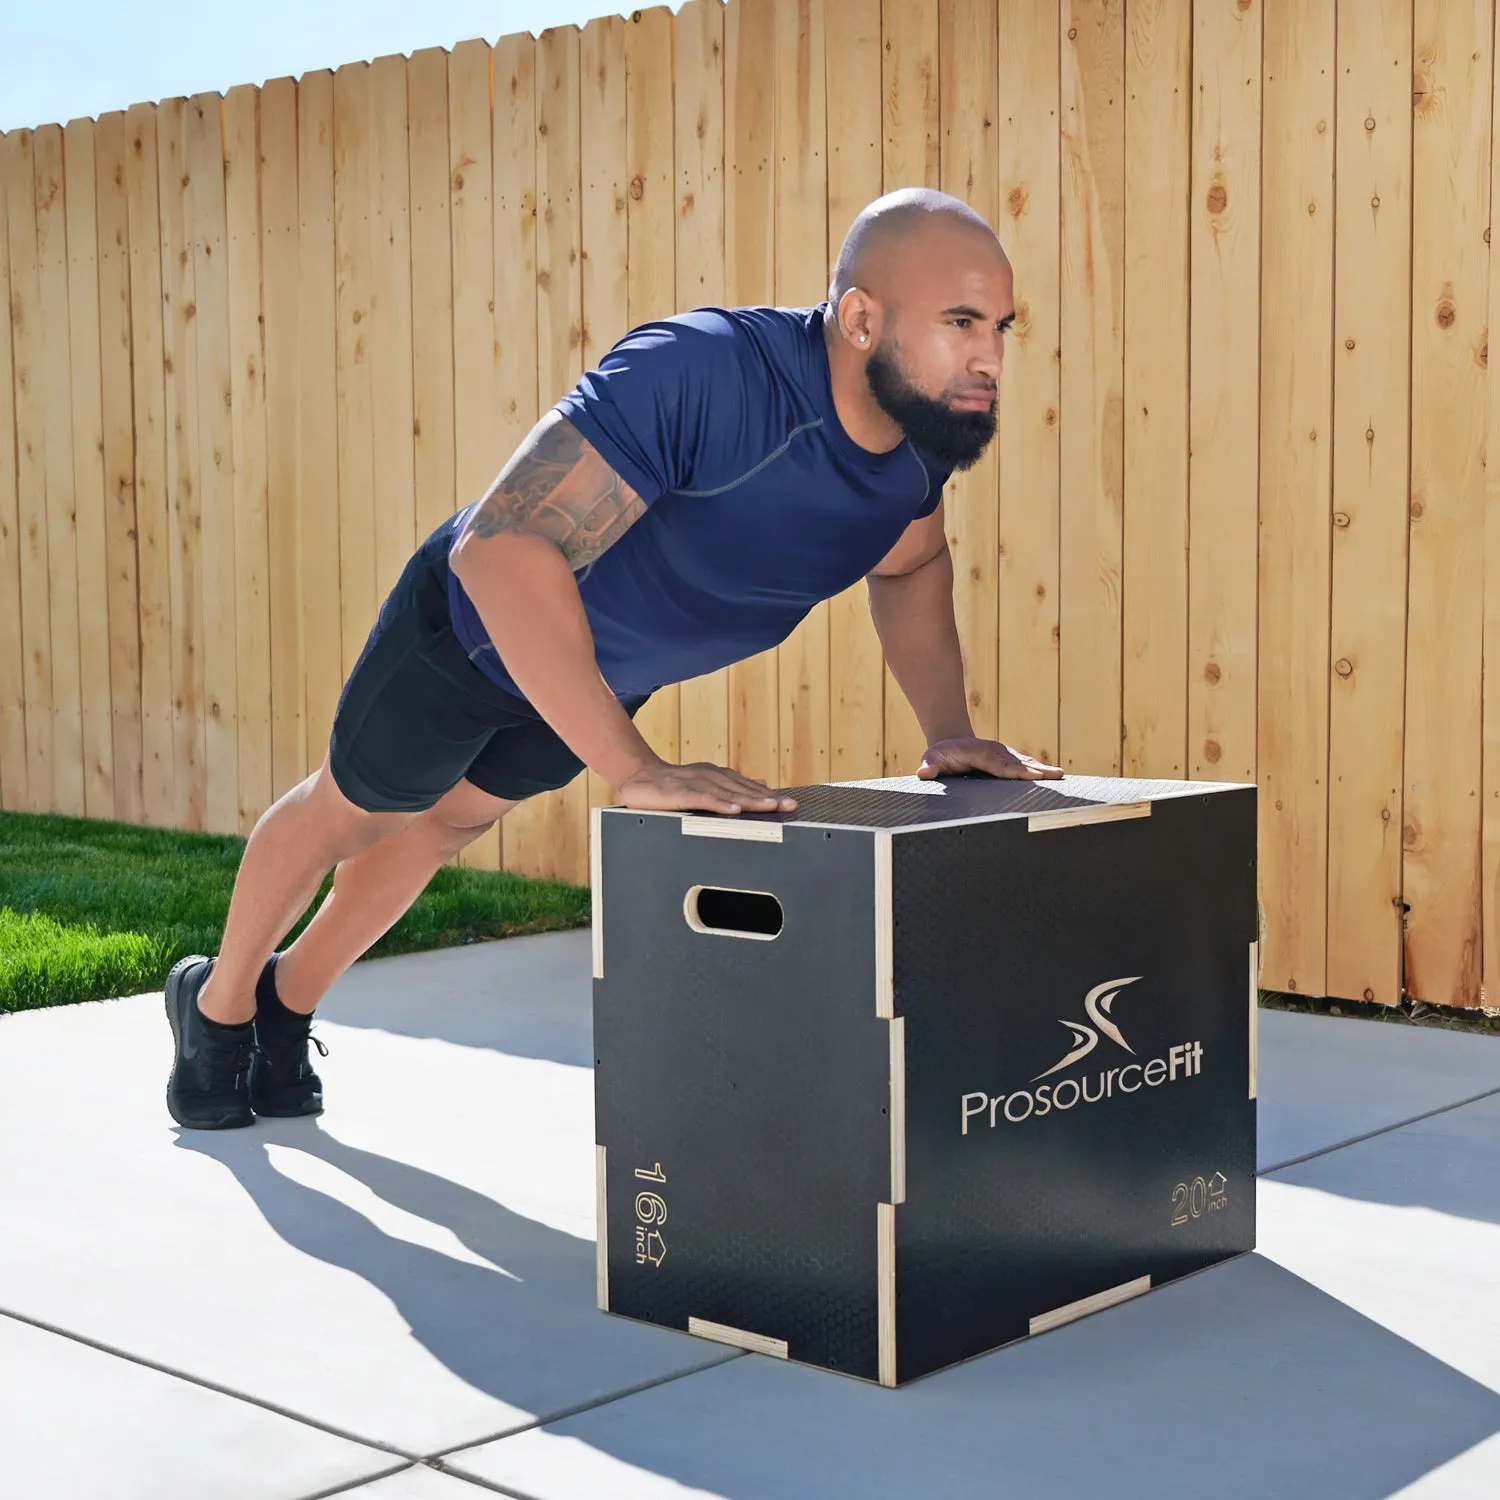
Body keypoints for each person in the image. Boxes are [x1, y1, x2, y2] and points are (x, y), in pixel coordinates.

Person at [163, 186, 1063, 1131]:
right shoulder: (706, 374)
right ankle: (218, 1011)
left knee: (442, 830)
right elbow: (500, 549)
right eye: (961, 321)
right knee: (355, 814)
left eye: (1001, 326)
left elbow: (911, 563)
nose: (990, 357)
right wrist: (633, 768)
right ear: (859, 317)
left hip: (593, 681)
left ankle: (285, 1006)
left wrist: (948, 731)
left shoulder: (918, 447)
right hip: (468, 632)